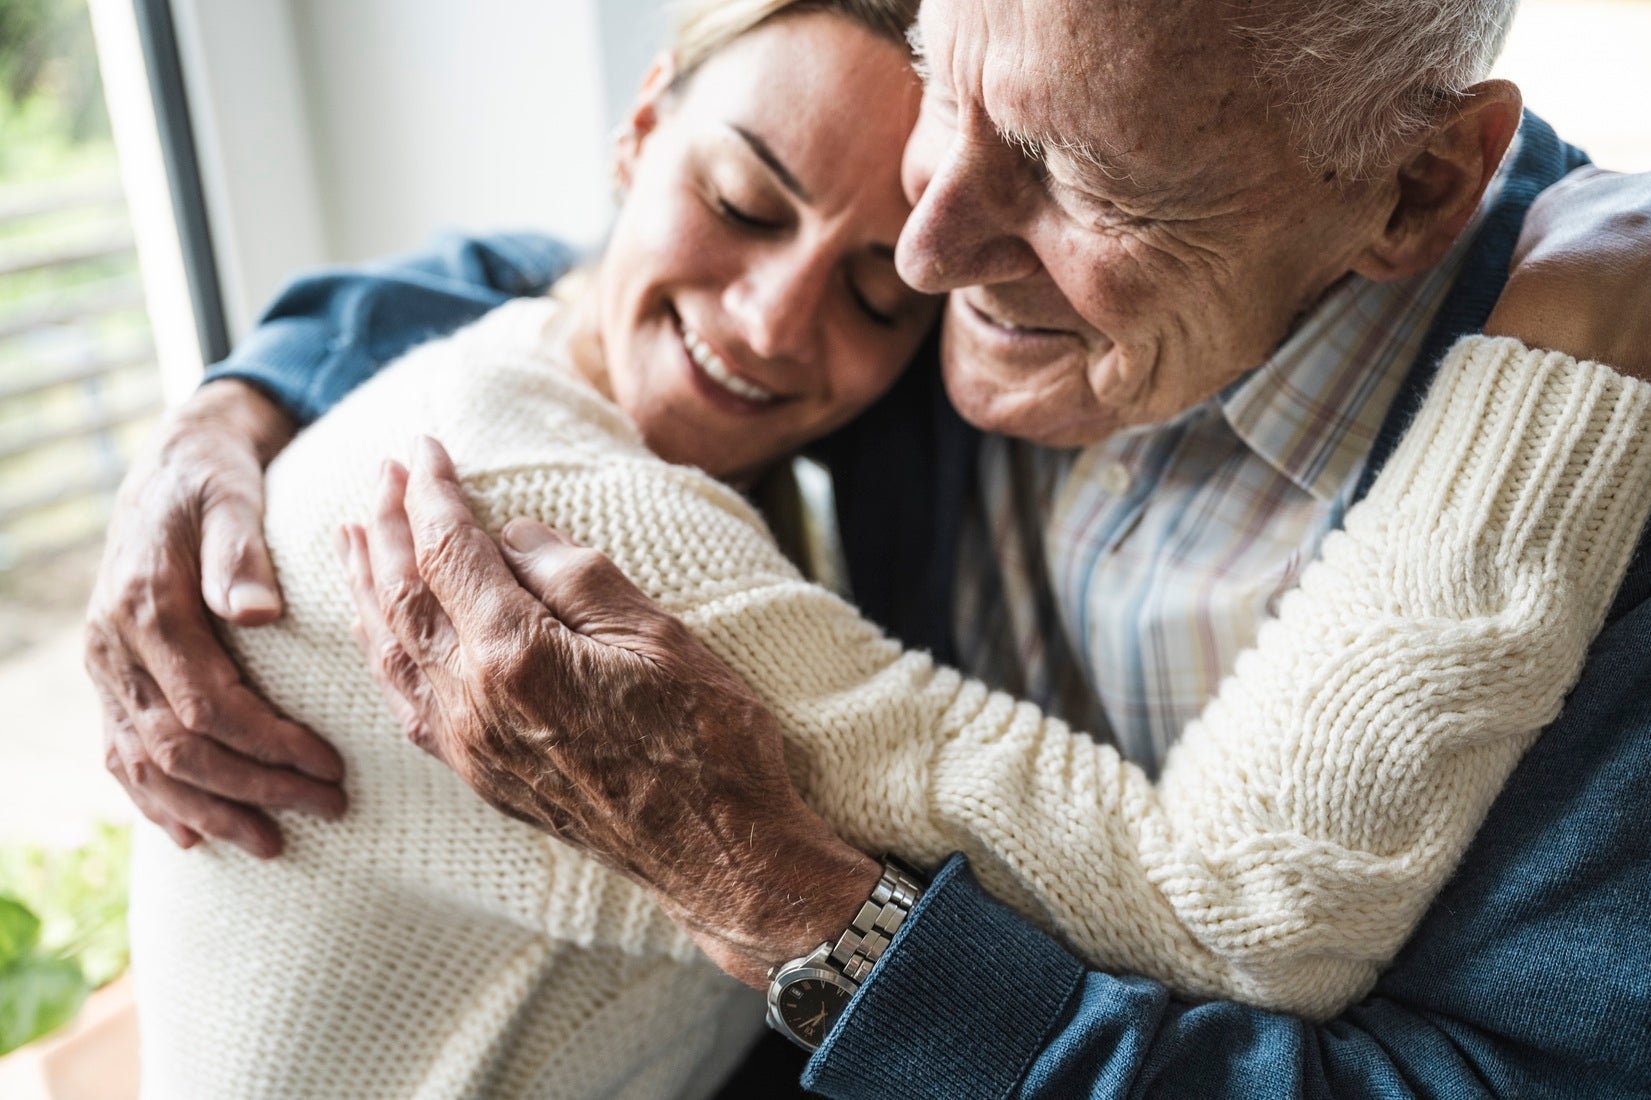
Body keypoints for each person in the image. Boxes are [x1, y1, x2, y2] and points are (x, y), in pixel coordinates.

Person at [91, 2, 1651, 1098]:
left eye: (1082, 174)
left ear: (1418, 186)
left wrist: (810, 912)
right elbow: (581, 284)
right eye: (944, 86)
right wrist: (242, 401)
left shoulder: (1584, 485)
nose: (918, 251)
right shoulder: (946, 263)